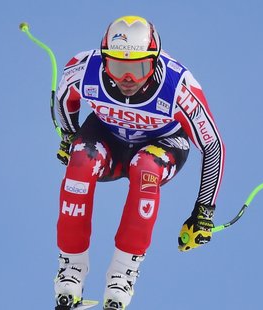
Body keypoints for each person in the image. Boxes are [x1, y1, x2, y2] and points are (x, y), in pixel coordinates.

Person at [52, 16, 225, 310]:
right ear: (105, 60)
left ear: (155, 63)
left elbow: (211, 145)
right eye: (118, 68)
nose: (127, 80)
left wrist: (203, 212)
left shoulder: (178, 87)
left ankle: (123, 272)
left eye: (139, 69)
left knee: (146, 169)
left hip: (163, 145)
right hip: (107, 137)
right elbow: (63, 98)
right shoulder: (85, 68)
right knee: (80, 163)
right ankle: (71, 268)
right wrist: (70, 136)